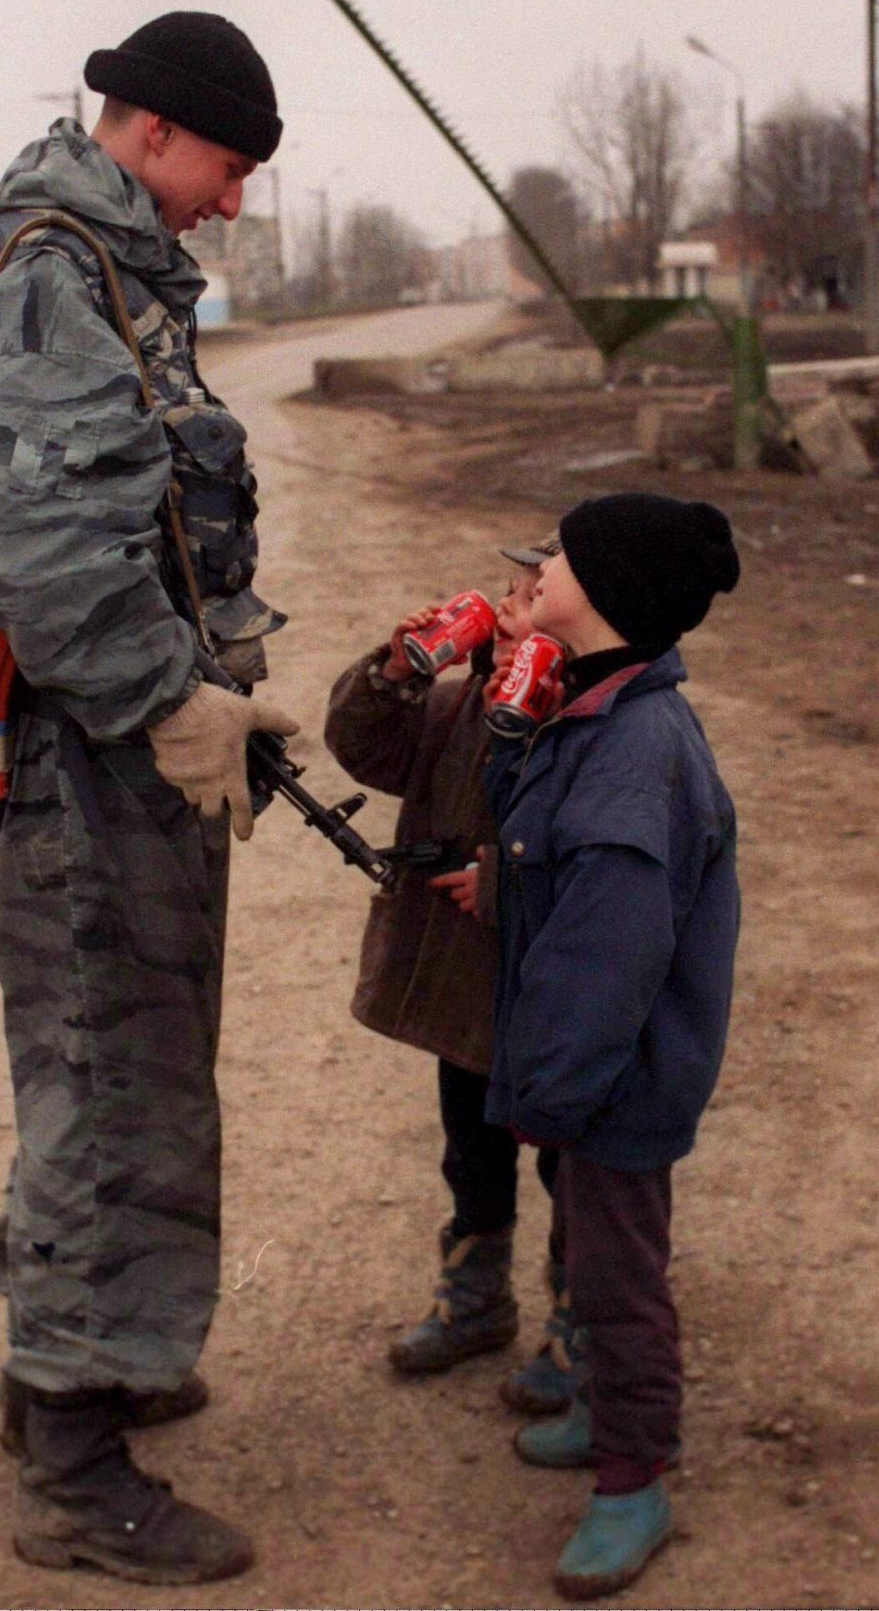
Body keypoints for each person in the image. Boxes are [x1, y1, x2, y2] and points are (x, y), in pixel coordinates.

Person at [0, 14, 298, 1585]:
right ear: (148, 134)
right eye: (228, 165)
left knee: (130, 1061)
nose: (236, 201)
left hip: (112, 747)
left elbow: (148, 521)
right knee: (103, 1077)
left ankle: (81, 1354)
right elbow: (38, 551)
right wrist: (170, 698)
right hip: (81, 755)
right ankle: (72, 1457)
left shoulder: (114, 272)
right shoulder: (64, 277)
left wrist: (218, 680)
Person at [484, 492, 741, 1599]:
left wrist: (551, 1087)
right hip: (594, 1074)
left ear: (615, 600)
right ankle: (596, 1410)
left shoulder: (636, 752)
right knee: (592, 1254)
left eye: (566, 553)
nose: (542, 561)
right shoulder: (592, 702)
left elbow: (610, 953)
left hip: (617, 1081)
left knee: (620, 1280)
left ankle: (634, 1479)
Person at [323, 546, 582, 1412]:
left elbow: (600, 862)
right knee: (471, 1144)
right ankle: (476, 1293)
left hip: (553, 996)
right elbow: (364, 748)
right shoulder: (459, 707)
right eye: (506, 596)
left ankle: (582, 1319)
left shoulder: (590, 731)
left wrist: (509, 884)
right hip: (468, 992)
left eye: (532, 598)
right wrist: (392, 671)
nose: (509, 613)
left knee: (570, 1163)